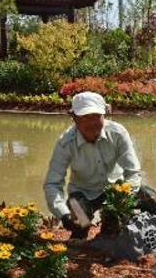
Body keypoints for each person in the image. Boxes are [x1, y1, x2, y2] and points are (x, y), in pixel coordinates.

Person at [44, 92, 142, 239]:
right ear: (74, 118)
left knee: (146, 198)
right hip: (83, 193)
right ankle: (79, 239)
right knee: (79, 220)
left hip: (116, 189)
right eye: (85, 117)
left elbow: (133, 172)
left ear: (105, 115)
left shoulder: (118, 133)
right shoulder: (65, 143)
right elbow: (52, 183)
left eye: (97, 116)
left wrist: (124, 199)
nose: (92, 123)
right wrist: (63, 215)